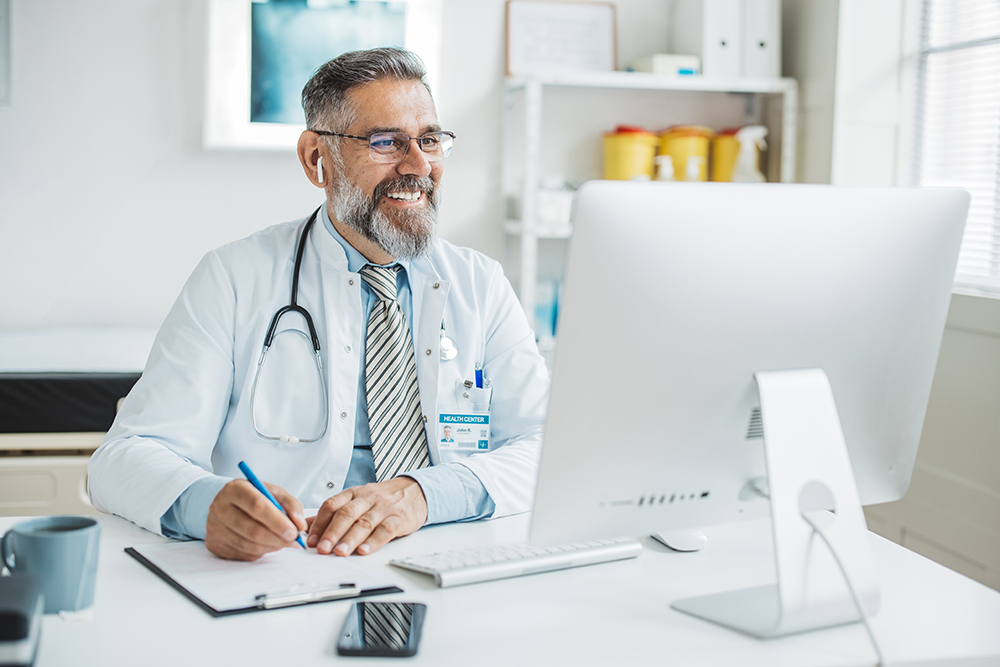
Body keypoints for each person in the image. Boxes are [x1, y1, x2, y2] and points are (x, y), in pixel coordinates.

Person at [88, 48, 549, 562]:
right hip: (290, 564)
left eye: (430, 140)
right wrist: (207, 505)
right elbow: (123, 459)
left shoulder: (480, 284)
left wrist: (423, 494)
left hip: (451, 553)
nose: (419, 165)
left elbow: (546, 446)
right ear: (317, 159)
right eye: (385, 142)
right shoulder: (234, 278)